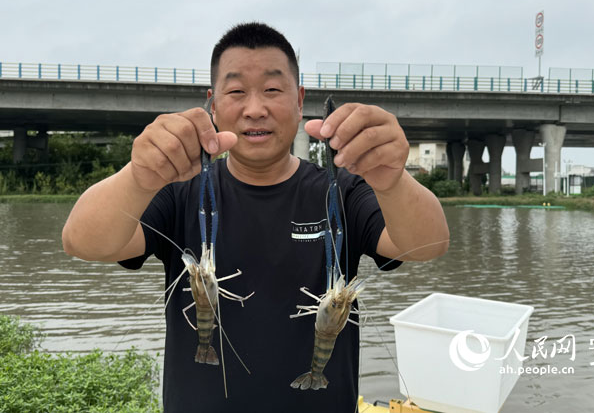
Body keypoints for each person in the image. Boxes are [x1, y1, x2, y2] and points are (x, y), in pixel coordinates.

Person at [62, 22, 449, 413]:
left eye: (272, 90)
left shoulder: (342, 191)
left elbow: (428, 244)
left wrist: (393, 182)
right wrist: (138, 176)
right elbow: (82, 242)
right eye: (236, 91)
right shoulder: (179, 191)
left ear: (299, 100)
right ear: (212, 104)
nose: (255, 108)